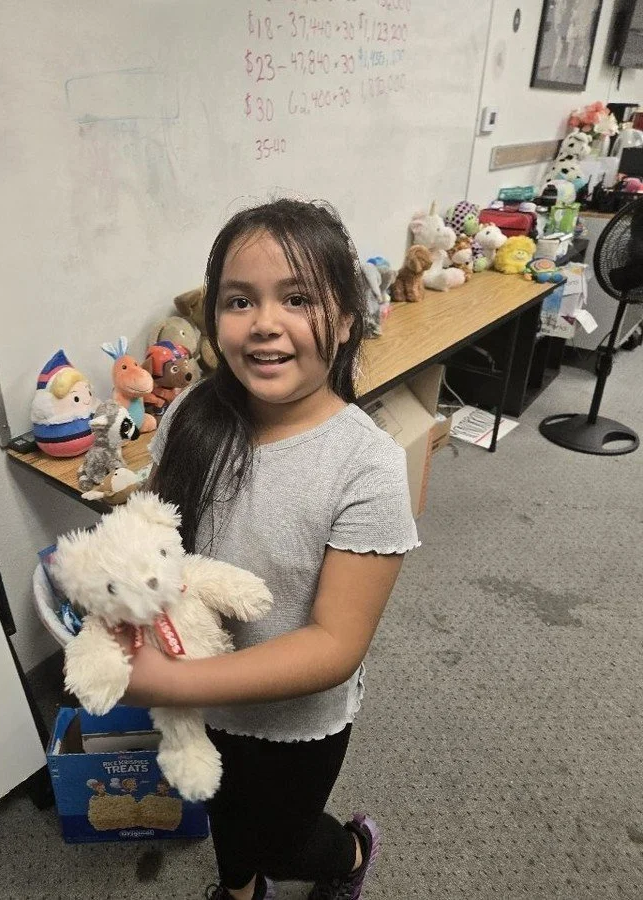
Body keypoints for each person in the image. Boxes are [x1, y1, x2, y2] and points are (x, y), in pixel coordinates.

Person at [116, 198, 420, 900]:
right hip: (200, 694)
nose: (264, 324)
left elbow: (335, 644)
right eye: (239, 300)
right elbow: (155, 528)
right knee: (226, 818)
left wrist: (170, 683)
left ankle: (347, 852)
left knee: (284, 838)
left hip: (295, 722)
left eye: (298, 298)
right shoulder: (194, 413)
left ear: (345, 319)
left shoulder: (364, 466)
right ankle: (239, 885)